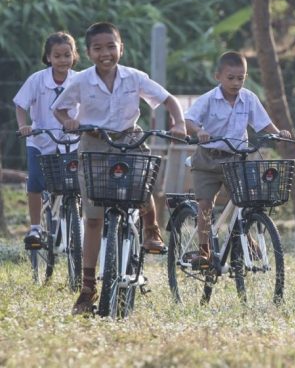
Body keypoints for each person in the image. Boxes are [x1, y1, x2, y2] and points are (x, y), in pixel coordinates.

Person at [53, 22, 187, 315]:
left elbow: (168, 100)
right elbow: (59, 108)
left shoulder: (134, 77)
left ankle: (151, 228)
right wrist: (69, 122)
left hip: (128, 138)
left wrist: (178, 122)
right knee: (93, 218)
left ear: (121, 49)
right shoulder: (81, 81)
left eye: (111, 47)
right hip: (94, 143)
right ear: (88, 52)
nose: (105, 53)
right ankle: (88, 287)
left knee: (143, 180)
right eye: (98, 48)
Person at [184, 51, 292, 268]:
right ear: (218, 77)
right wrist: (199, 131)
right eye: (231, 78)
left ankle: (246, 238)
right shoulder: (208, 99)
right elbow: (188, 120)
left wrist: (277, 132)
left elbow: (263, 123)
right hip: (207, 160)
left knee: (245, 201)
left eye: (240, 78)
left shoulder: (249, 98)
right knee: (205, 204)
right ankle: (204, 251)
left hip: (236, 159)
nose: (236, 83)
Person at [14, 32, 80, 249]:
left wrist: (81, 122)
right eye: (57, 56)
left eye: (67, 55)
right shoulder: (37, 80)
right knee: (35, 181)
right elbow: (21, 105)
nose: (63, 60)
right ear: (48, 57)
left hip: (71, 140)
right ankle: (35, 227)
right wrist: (23, 126)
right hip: (40, 139)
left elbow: (89, 105)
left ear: (74, 55)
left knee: (76, 183)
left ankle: (75, 224)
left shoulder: (79, 80)